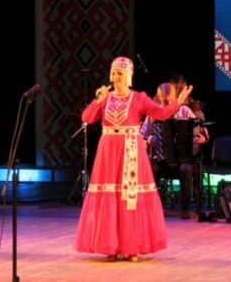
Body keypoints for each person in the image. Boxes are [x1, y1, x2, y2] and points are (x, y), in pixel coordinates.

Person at [74, 56, 193, 261]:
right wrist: (97, 100)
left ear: (129, 76)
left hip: (130, 150)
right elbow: (86, 118)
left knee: (130, 198)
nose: (115, 77)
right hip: (108, 151)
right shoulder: (105, 99)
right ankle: (111, 246)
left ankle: (131, 247)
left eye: (120, 73)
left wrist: (177, 103)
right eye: (113, 73)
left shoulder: (139, 98)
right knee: (110, 195)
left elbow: (161, 113)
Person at [141, 82, 209, 219]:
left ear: (175, 97)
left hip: (184, 159)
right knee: (151, 169)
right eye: (163, 100)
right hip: (161, 158)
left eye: (169, 99)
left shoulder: (185, 111)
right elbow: (141, 136)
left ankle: (184, 209)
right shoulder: (153, 114)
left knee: (185, 169)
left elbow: (202, 132)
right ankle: (156, 208)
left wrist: (202, 138)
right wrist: (148, 140)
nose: (166, 103)